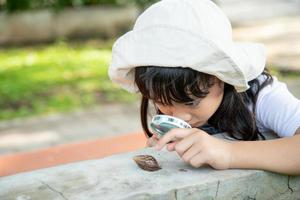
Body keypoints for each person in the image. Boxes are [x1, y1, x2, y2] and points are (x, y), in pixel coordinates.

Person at [108, 0, 300, 175]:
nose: (179, 117)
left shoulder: (260, 95)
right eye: (161, 101)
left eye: (192, 102)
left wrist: (228, 153)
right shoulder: (176, 106)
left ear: (223, 78)